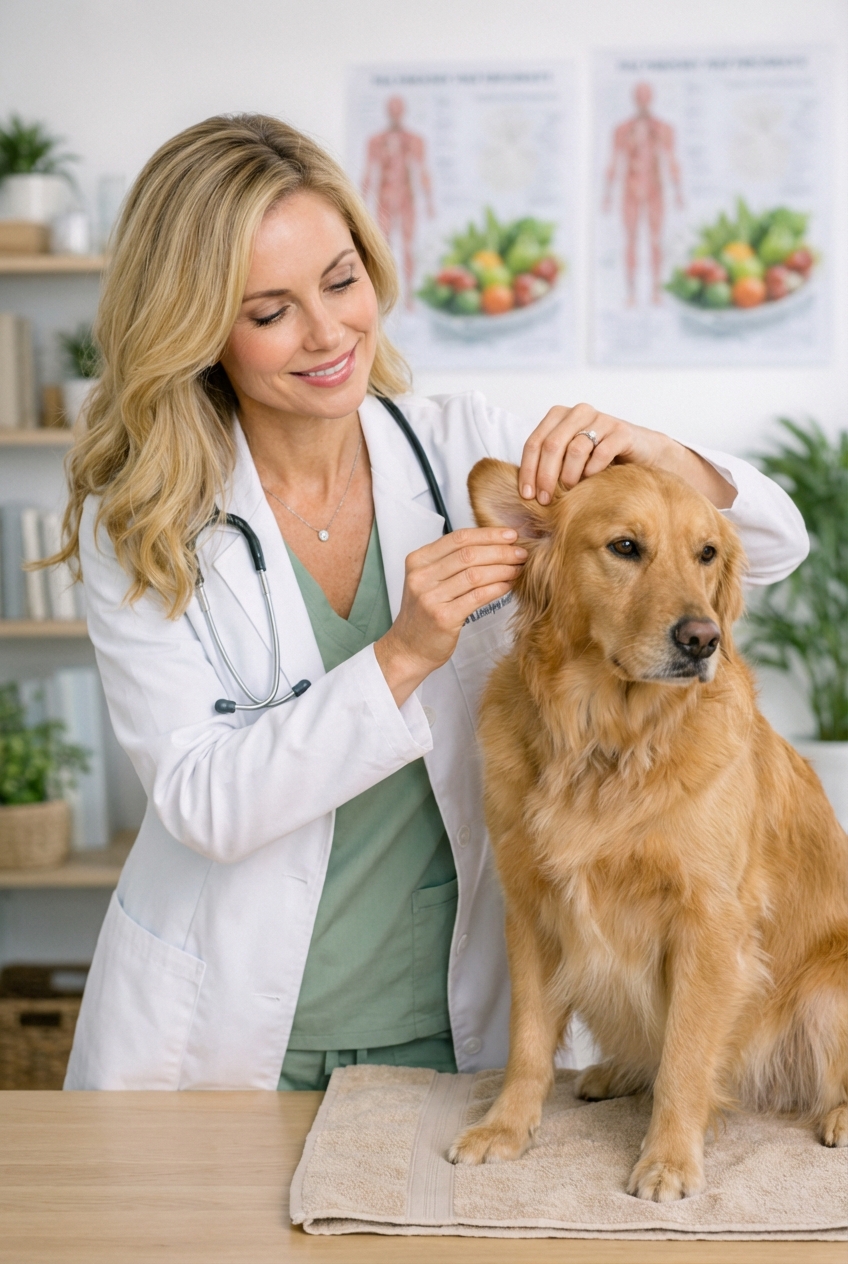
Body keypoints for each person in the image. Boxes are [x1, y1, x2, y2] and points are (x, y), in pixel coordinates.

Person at [58, 115, 807, 1091]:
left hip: (444, 1032)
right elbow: (206, 801)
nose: (329, 333)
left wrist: (662, 455)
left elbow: (773, 545)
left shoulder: (461, 447)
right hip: (227, 1045)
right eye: (269, 309)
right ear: (197, 327)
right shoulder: (144, 525)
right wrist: (401, 652)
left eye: (340, 279)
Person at [603, 81, 684, 306]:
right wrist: (607, 195)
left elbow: (672, 160)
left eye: (646, 96)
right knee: (630, 240)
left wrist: (678, 192)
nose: (643, 100)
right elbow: (613, 162)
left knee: (656, 240)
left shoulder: (664, 129)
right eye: (640, 96)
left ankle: (656, 291)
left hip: (655, 189)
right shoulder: (621, 130)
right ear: (634, 98)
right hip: (630, 189)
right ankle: (631, 293)